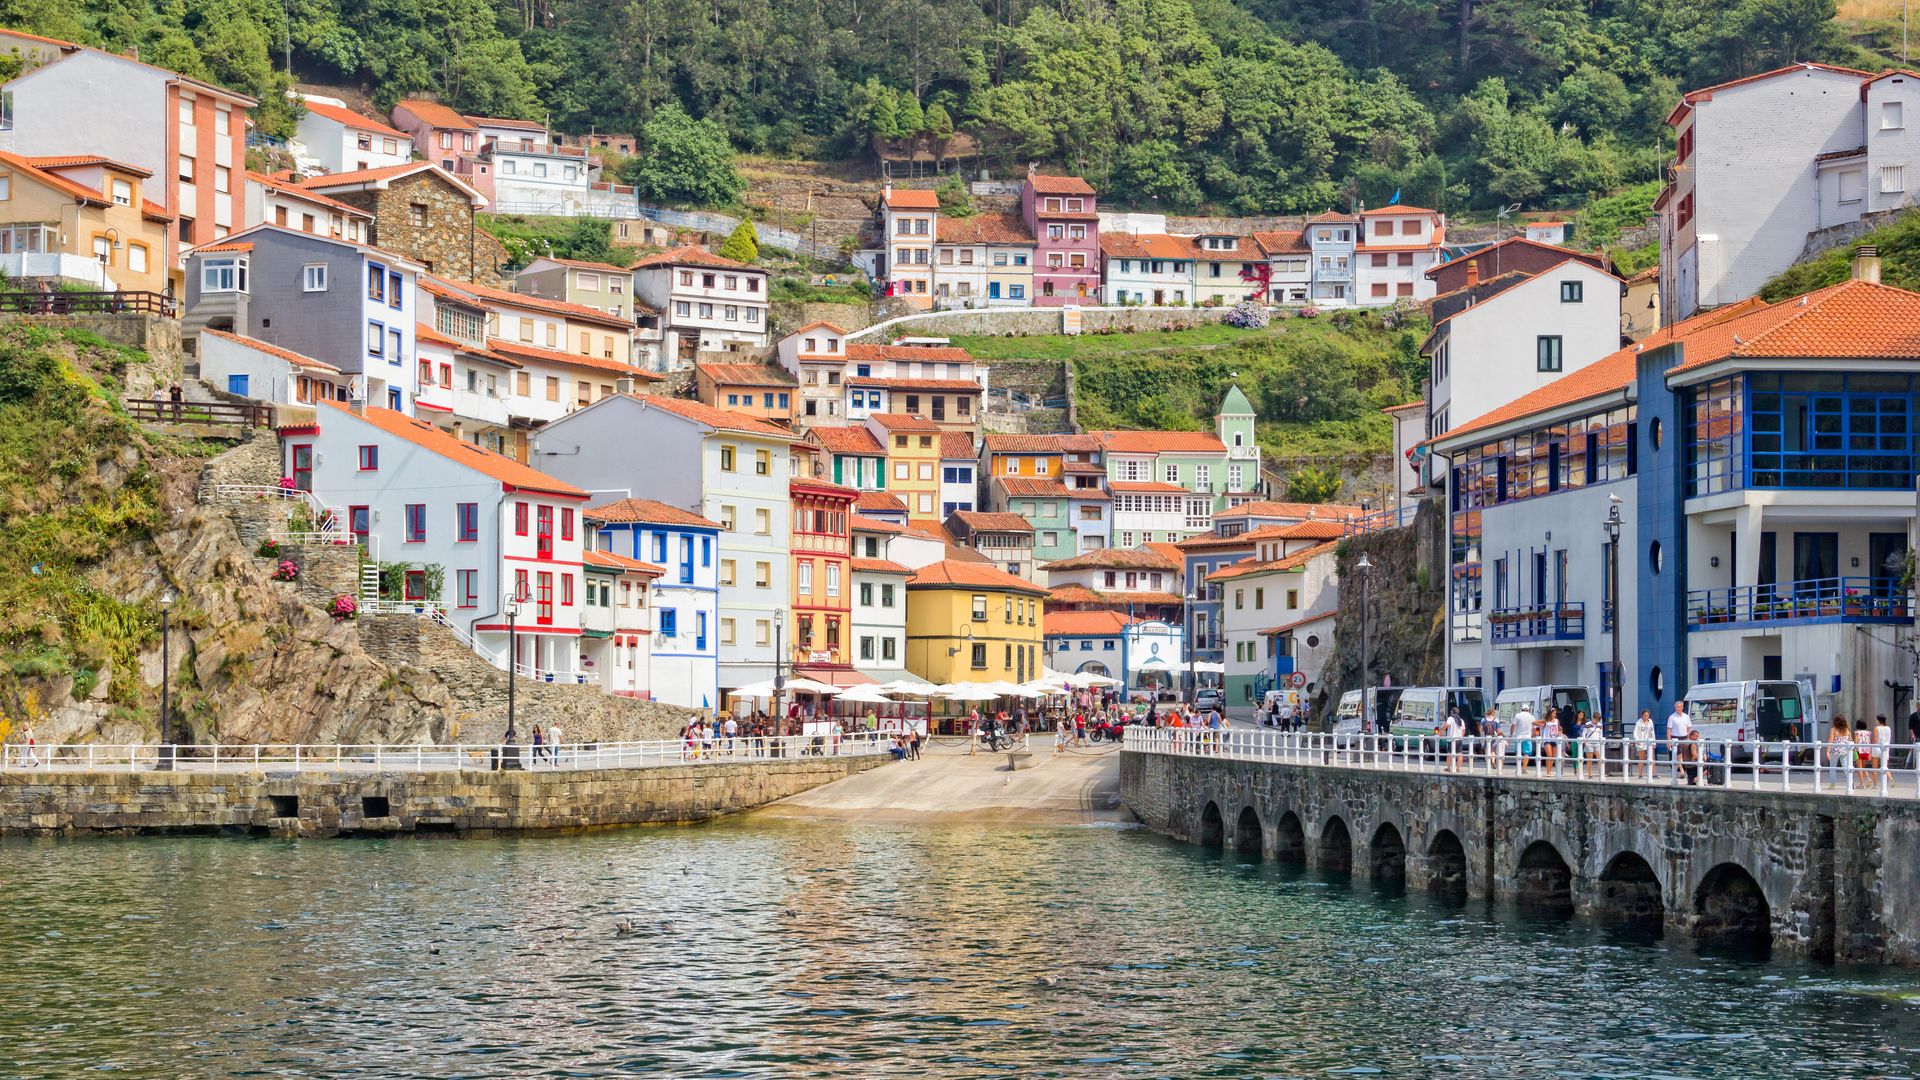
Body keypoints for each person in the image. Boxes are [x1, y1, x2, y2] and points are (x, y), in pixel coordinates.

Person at [1666, 701, 1692, 785]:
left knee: (1681, 756)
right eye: (1676, 706)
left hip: (1684, 737)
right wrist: (1669, 741)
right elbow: (1669, 730)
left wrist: (1689, 738)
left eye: (1679, 706)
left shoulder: (1686, 717)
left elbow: (1689, 728)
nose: (1678, 708)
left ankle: (1675, 773)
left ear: (1682, 707)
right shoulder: (1672, 717)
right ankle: (1681, 771)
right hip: (1675, 738)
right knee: (1679, 755)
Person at [1827, 715, 1853, 790]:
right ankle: (1850, 782)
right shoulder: (1847, 730)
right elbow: (1850, 740)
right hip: (1845, 750)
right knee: (1845, 767)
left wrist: (1827, 751)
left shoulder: (1833, 730)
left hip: (1835, 750)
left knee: (1833, 768)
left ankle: (1832, 784)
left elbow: (1830, 740)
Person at [1512, 702, 1537, 776]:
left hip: (1518, 737)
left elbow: (1513, 725)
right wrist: (1533, 736)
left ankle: (1518, 769)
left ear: (1521, 709)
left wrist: (1511, 734)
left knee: (1518, 754)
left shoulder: (1517, 716)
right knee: (1526, 754)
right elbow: (1534, 728)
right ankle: (1524, 768)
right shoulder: (1532, 717)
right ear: (1528, 710)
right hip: (1527, 738)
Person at [1632, 710, 1657, 781]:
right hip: (1642, 742)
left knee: (1652, 758)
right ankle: (1640, 774)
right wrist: (1638, 741)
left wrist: (1654, 742)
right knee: (1641, 758)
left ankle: (1653, 774)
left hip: (1649, 742)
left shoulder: (1650, 721)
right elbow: (1635, 733)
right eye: (1645, 715)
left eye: (1647, 715)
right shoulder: (1639, 722)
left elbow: (1652, 732)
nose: (1646, 717)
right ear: (1642, 715)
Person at [1540, 708, 1563, 777]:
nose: (1554, 714)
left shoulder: (1557, 720)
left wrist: (1559, 732)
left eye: (1555, 713)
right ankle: (1548, 771)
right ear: (1550, 713)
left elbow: (1559, 728)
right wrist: (1541, 724)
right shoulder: (1546, 721)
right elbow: (1534, 722)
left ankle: (1550, 770)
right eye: (1553, 713)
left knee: (1553, 756)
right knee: (1549, 756)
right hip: (1547, 739)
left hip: (1554, 739)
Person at [1443, 708, 1466, 773]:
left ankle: (1448, 768)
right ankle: (1458, 768)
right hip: (1459, 739)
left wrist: (1441, 731)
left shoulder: (1450, 718)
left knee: (1449, 754)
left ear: (1452, 712)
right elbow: (1464, 730)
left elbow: (1447, 725)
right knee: (1459, 754)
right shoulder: (1461, 720)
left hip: (1452, 739)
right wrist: (1461, 736)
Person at [1874, 714, 1894, 788]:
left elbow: (1875, 740)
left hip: (1877, 748)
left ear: (1878, 720)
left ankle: (1875, 784)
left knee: (1875, 767)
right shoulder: (1888, 728)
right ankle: (1890, 778)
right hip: (1886, 748)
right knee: (1885, 766)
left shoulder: (1876, 728)